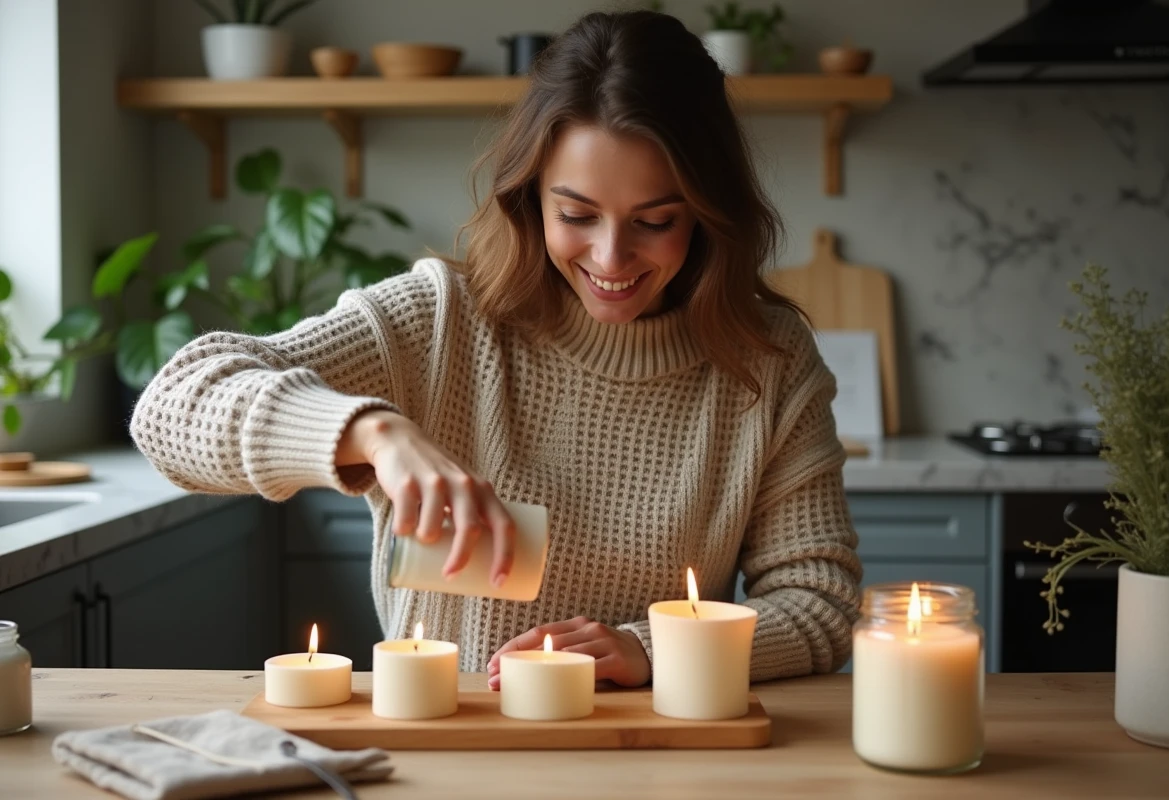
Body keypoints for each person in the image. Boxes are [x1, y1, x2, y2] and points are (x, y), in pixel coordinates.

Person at [130, 9, 862, 689]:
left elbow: (819, 601)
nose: (611, 257)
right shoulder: (443, 320)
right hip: (451, 752)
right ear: (531, 196)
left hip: (654, 755)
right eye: (576, 214)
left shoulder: (768, 360)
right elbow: (170, 409)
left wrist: (651, 648)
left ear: (708, 214)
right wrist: (369, 433)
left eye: (656, 221)